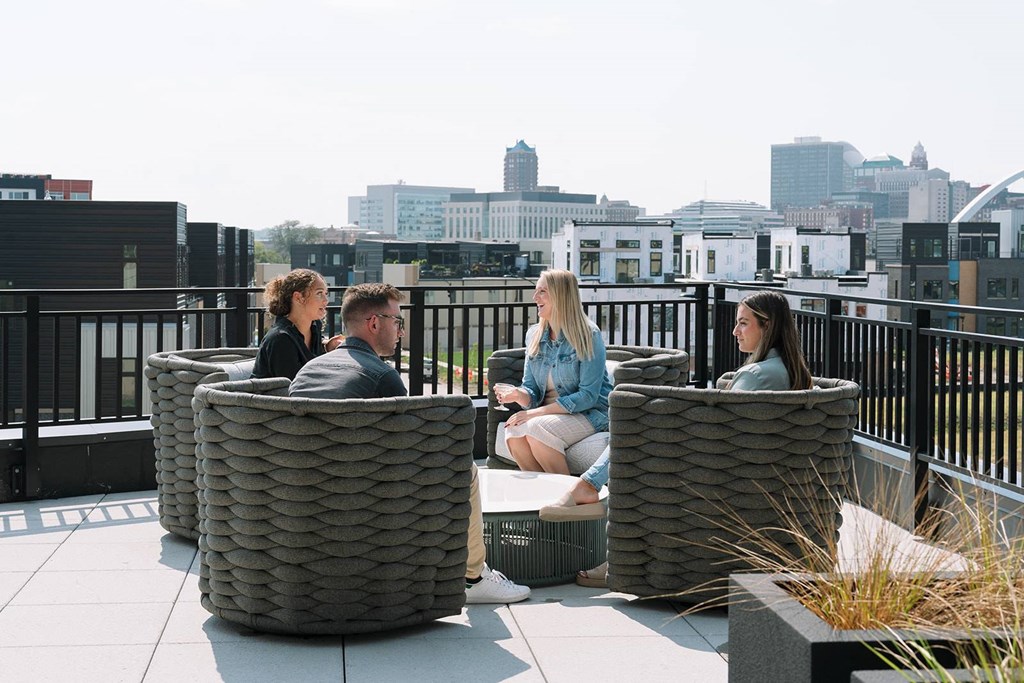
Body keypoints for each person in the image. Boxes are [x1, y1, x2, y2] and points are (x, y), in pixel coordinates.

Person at [541, 289, 813, 587]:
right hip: (751, 474)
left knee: (635, 440)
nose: (735, 331)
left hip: (720, 476)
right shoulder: (789, 371)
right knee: (639, 436)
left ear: (767, 326)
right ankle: (596, 504)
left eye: (744, 323)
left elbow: (719, 430)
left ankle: (602, 518)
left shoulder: (757, 375)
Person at [290, 283, 531, 605]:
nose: (401, 331)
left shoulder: (307, 371)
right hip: (364, 501)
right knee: (466, 470)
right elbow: (403, 451)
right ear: (374, 323)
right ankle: (473, 577)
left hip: (299, 498)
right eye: (397, 321)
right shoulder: (381, 377)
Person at [494, 269, 612, 475]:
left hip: (589, 413)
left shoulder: (587, 334)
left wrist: (533, 413)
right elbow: (531, 388)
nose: (535, 297)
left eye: (542, 291)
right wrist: (518, 394)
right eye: (536, 291)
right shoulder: (534, 335)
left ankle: (566, 492)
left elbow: (588, 397)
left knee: (537, 429)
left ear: (561, 295)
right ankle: (543, 493)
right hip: (549, 413)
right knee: (513, 431)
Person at [252, 268, 344, 380]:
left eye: (326, 294)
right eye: (319, 293)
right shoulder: (280, 339)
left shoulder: (314, 327)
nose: (326, 300)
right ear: (298, 298)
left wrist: (327, 346)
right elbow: (295, 385)